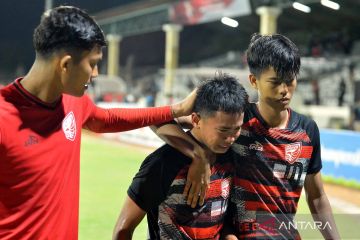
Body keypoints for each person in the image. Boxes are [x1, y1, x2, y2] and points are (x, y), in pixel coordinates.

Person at [0, 6, 196, 240]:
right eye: (92, 64)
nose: (95, 74)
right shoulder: (3, 118)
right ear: (65, 65)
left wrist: (176, 110)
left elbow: (107, 119)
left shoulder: (73, 101)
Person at [153, 33, 340, 239]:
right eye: (275, 82)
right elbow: (159, 120)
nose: (284, 90)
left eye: (290, 81)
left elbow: (317, 197)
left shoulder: (307, 130)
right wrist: (198, 155)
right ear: (254, 81)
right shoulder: (236, 121)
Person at [113, 74, 249, 240]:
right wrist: (198, 155)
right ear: (196, 119)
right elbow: (123, 230)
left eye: (237, 129)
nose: (231, 138)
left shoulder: (230, 155)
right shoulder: (163, 162)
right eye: (223, 131)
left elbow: (221, 219)